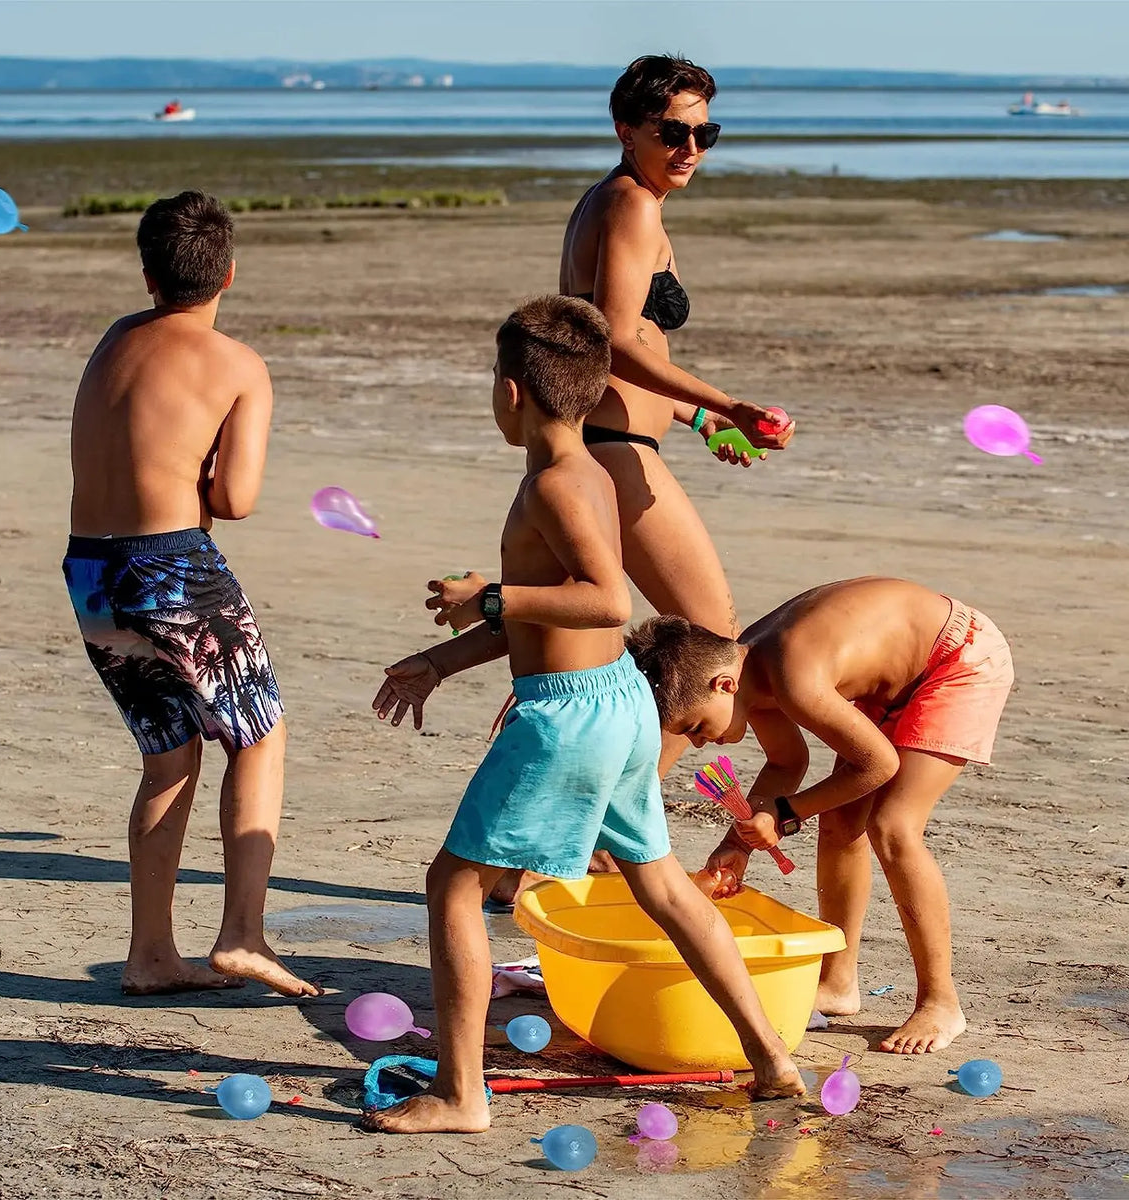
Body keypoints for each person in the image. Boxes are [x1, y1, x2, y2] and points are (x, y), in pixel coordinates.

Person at [366, 296, 804, 1134]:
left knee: (454, 885)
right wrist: (438, 662)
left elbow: (604, 598)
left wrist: (489, 591)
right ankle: (771, 1057)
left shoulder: (556, 485)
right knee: (662, 885)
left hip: (569, 719)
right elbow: (544, 619)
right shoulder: (588, 476)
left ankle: (462, 1095)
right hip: (620, 706)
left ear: (509, 394)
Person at [62, 190, 318, 998]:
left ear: (147, 276)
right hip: (170, 564)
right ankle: (241, 932)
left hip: (91, 569)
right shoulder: (238, 365)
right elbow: (237, 498)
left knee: (168, 755)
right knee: (259, 734)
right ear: (230, 274)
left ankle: (150, 955)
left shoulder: (115, 338)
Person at [626, 578, 1014, 1055]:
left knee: (892, 826)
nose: (703, 742)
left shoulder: (791, 674)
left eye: (696, 727)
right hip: (892, 681)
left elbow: (878, 766)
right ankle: (838, 981)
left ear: (722, 685)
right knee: (840, 825)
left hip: (957, 660)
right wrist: (737, 844)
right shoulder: (749, 676)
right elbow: (787, 763)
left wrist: (786, 815)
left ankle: (940, 1001)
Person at [559, 54, 796, 783]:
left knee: (679, 658)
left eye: (705, 132)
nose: (691, 148)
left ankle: (596, 828)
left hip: (615, 443)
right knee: (712, 655)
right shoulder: (631, 203)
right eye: (672, 131)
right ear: (626, 129)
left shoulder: (622, 198)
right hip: (614, 450)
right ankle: (606, 829)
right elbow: (620, 340)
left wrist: (700, 421)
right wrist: (731, 403)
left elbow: (628, 347)